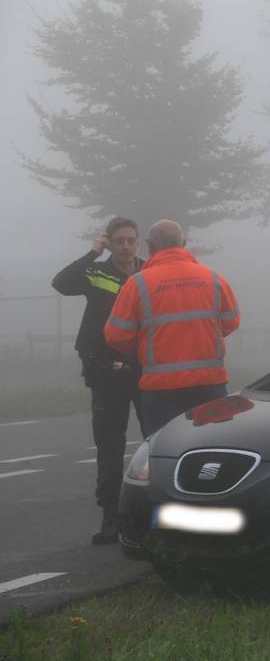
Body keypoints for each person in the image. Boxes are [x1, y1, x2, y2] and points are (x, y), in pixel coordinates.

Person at [51, 217, 145, 545]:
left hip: (146, 370)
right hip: (104, 371)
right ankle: (110, 517)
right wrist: (92, 252)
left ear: (138, 241)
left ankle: (155, 515)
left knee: (157, 442)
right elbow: (61, 283)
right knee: (109, 446)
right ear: (109, 242)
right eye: (118, 240)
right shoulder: (96, 272)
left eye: (130, 240)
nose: (125, 246)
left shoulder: (149, 273)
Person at [104, 220, 240, 438]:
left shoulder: (138, 284)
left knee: (164, 453)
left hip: (160, 389)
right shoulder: (212, 279)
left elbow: (116, 335)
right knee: (214, 452)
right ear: (183, 243)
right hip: (211, 384)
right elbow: (231, 322)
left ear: (149, 245)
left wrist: (141, 349)